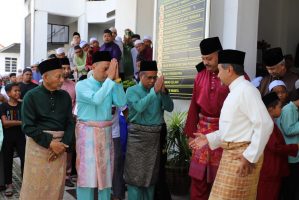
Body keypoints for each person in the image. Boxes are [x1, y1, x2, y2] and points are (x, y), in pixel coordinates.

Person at [190, 49, 273, 199]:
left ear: (229, 70)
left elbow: (266, 124)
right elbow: (234, 129)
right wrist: (208, 139)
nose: (218, 74)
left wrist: (250, 156)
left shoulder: (246, 90)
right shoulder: (236, 91)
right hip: (231, 155)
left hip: (242, 156)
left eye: (220, 70)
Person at [19, 58, 75, 199]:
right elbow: (27, 126)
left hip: (60, 147)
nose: (62, 80)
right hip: (38, 148)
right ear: (45, 77)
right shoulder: (31, 96)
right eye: (58, 76)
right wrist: (50, 143)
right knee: (35, 189)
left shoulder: (65, 96)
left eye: (63, 75)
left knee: (55, 189)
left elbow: (70, 123)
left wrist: (63, 145)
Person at [75, 51, 126, 200]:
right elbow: (96, 99)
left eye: (109, 69)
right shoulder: (81, 85)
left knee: (105, 177)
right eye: (105, 68)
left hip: (106, 134)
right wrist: (110, 79)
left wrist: (116, 80)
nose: (107, 72)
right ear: (93, 67)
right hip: (88, 135)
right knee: (87, 177)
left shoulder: (109, 84)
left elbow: (122, 102)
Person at [184, 37, 227, 200]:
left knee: (220, 180)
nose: (206, 62)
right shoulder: (200, 75)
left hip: (224, 133)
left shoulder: (233, 74)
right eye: (203, 59)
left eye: (209, 58)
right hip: (201, 132)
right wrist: (190, 133)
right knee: (198, 180)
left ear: (219, 55)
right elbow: (194, 106)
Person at [124, 60, 174, 200]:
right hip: (137, 138)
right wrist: (154, 92)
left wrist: (164, 93)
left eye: (155, 77)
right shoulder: (131, 90)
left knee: (151, 177)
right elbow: (139, 107)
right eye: (149, 77)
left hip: (154, 138)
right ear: (141, 76)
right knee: (135, 176)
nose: (153, 81)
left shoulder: (158, 91)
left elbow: (169, 107)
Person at [257, 92, 299, 200]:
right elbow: (275, 146)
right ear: (271, 109)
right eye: (280, 107)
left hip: (271, 167)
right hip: (270, 167)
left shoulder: (269, 121)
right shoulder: (266, 124)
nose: (281, 109)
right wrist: (296, 147)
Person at [1, 83, 25, 197]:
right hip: (8, 138)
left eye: (19, 91)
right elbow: (5, 123)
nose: (18, 93)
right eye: (15, 91)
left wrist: (15, 123)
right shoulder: (3, 106)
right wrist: (21, 122)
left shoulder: (22, 105)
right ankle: (9, 184)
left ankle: (25, 182)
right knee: (7, 161)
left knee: (24, 160)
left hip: (21, 137)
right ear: (8, 93)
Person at [276, 88, 299, 200]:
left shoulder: (294, 108)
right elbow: (288, 130)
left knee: (294, 184)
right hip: (291, 154)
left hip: (295, 152)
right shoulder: (289, 109)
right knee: (290, 185)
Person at [60, 57, 76, 187]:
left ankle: (67, 175)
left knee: (69, 149)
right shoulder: (53, 84)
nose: (66, 71)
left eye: (68, 68)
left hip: (70, 121)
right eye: (63, 68)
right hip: (55, 123)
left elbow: (76, 103)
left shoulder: (73, 85)